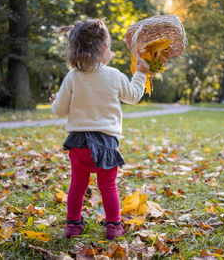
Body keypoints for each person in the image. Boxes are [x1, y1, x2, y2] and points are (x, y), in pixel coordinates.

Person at [49, 18, 150, 240]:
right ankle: (113, 226)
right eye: (110, 47)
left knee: (77, 185)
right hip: (106, 144)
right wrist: (141, 73)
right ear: (104, 48)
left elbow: (59, 110)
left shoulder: (72, 77)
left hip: (79, 145)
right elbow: (133, 96)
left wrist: (54, 100)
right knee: (108, 187)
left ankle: (73, 226)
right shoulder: (114, 75)